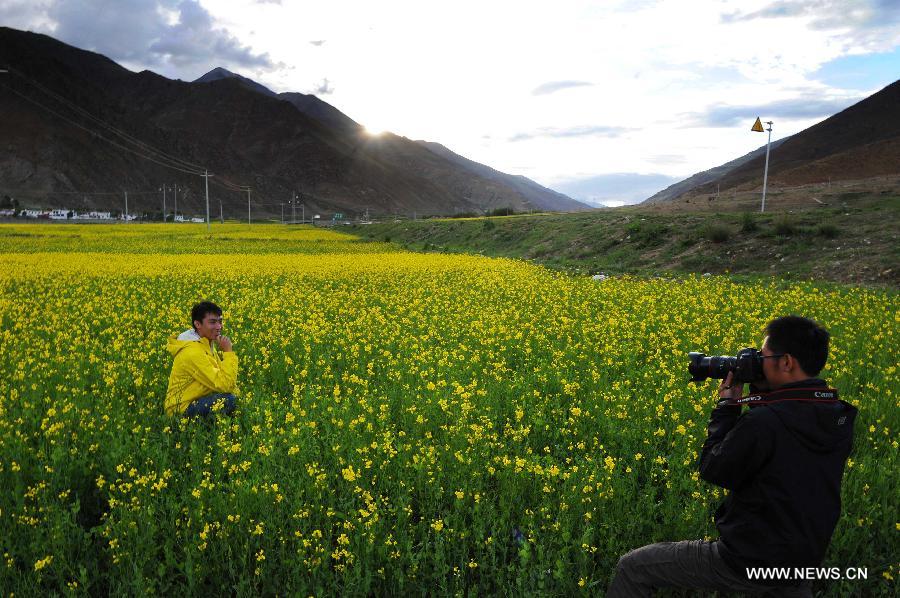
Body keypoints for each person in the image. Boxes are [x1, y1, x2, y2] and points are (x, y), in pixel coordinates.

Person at [608, 316, 857, 597]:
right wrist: (766, 392)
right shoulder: (837, 414)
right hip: (802, 562)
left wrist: (727, 406)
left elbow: (714, 468)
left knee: (633, 568)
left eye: (763, 356)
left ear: (786, 362)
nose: (757, 363)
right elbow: (787, 457)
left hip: (750, 559)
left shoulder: (768, 421)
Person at [165, 301, 239, 417]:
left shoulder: (205, 342)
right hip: (180, 409)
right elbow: (225, 385)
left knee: (235, 398)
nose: (219, 327)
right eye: (212, 322)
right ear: (198, 324)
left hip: (197, 399)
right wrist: (228, 353)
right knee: (230, 400)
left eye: (220, 321)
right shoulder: (193, 352)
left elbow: (222, 377)